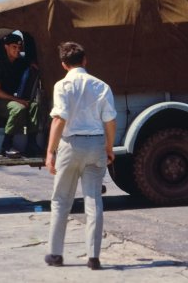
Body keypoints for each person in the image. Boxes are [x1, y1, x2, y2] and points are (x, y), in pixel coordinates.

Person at [44, 41, 116, 270]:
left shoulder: (62, 86)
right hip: (96, 145)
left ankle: (55, 254)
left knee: (61, 200)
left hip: (70, 146)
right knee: (94, 201)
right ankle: (93, 257)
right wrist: (109, 147)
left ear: (64, 64)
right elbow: (110, 120)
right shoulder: (102, 86)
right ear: (85, 60)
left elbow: (59, 119)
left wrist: (50, 151)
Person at [0, 33, 41, 157]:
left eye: (19, 48)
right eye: (14, 47)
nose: (17, 50)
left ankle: (31, 144)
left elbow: (28, 62)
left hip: (14, 99)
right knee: (18, 108)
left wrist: (32, 63)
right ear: (6, 47)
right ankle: (6, 145)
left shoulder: (20, 62)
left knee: (34, 106)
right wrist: (17, 99)